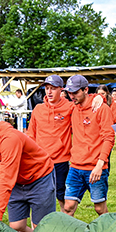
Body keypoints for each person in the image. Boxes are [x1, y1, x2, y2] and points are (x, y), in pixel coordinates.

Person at [62, 75, 114, 217]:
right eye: (69, 92)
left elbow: (109, 138)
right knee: (68, 207)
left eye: (75, 92)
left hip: (95, 167)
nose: (71, 96)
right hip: (75, 166)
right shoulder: (72, 107)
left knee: (99, 208)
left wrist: (100, 164)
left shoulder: (101, 109)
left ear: (85, 90)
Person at [27, 75, 73, 213]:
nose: (49, 92)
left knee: (61, 195)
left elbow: (85, 103)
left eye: (53, 88)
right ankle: (47, 222)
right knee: (42, 194)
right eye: (47, 88)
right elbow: (31, 134)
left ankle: (65, 222)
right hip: (41, 161)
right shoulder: (38, 109)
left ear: (61, 90)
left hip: (61, 160)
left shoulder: (70, 108)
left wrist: (99, 97)